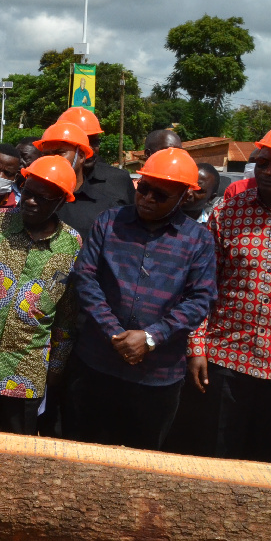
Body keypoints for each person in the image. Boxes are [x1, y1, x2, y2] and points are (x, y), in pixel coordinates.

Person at [66, 148, 216, 450]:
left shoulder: (198, 240)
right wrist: (116, 334)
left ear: (184, 197)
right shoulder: (109, 222)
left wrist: (150, 337)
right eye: (143, 189)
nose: (147, 198)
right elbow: (85, 277)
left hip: (157, 377)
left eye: (160, 195)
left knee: (143, 463)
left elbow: (201, 299)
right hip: (98, 366)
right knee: (84, 456)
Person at [188, 124, 271, 464]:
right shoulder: (229, 211)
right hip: (225, 362)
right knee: (215, 462)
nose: (267, 171)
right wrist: (197, 346)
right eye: (263, 162)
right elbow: (202, 286)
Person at [0, 156, 81, 435]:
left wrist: (57, 365)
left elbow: (67, 314)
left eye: (43, 198)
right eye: (28, 192)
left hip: (28, 371)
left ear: (60, 202)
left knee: (17, 451)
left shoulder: (72, 245)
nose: (31, 202)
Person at [54, 107, 136, 234]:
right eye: (81, 142)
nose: (89, 150)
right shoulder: (44, 183)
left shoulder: (118, 179)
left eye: (94, 142)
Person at [33, 121, 102, 237]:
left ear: (80, 156)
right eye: (46, 154)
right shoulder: (31, 199)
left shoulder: (103, 206)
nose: (51, 159)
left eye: (59, 152)